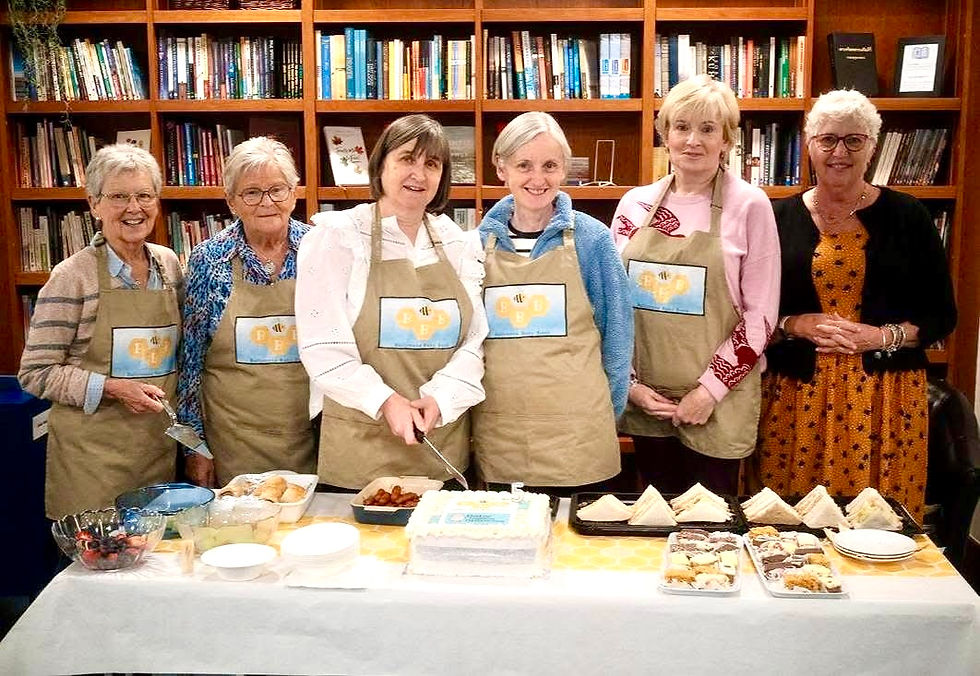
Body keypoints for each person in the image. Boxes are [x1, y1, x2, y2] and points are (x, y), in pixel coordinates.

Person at [757, 90, 956, 520]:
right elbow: (746, 310)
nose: (839, 152)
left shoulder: (910, 216)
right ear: (810, 145)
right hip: (794, 400)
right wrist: (793, 324)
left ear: (872, 146)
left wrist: (881, 336)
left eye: (854, 140)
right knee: (789, 525)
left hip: (885, 402)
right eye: (828, 139)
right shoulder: (775, 217)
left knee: (877, 525)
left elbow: (942, 314)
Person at [296, 114, 488, 489]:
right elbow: (323, 347)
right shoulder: (338, 238)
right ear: (381, 164)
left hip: (441, 449)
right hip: (360, 453)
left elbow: (474, 342)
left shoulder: (458, 243)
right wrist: (385, 401)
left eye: (432, 163)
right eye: (407, 159)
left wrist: (440, 399)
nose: (419, 173)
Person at [612, 75, 781, 495]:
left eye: (707, 129)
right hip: (648, 402)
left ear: (726, 140)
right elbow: (612, 307)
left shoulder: (750, 205)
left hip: (718, 403)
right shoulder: (635, 205)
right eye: (682, 127)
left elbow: (760, 317)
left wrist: (708, 392)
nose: (693, 140)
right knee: (652, 519)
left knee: (710, 524)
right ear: (665, 134)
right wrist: (631, 387)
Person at [19, 144, 183, 518]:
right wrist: (111, 387)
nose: (134, 208)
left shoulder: (169, 266)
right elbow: (35, 373)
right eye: (119, 197)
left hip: (157, 455)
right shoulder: (71, 277)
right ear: (94, 204)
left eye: (144, 196)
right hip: (92, 465)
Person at [473, 112, 633, 494]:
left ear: (564, 169)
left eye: (549, 166)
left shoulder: (593, 240)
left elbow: (618, 337)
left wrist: (603, 413)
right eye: (524, 166)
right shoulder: (476, 244)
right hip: (502, 437)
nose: (538, 178)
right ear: (501, 169)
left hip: (578, 437)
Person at [177, 136, 314, 488]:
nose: (267, 202)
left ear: (294, 193)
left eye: (277, 190)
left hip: (311, 440)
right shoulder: (209, 260)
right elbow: (190, 364)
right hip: (231, 444)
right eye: (251, 193)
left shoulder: (320, 251)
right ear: (231, 201)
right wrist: (194, 447)